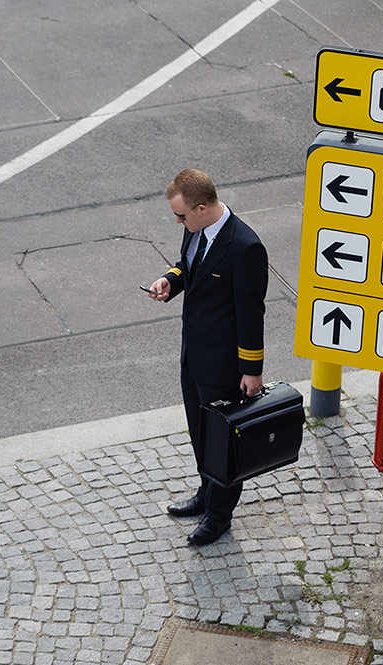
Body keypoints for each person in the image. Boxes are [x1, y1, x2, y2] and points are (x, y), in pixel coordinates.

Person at [146, 168, 268, 546]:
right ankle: (205, 494)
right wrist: (172, 280)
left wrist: (251, 370)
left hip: (224, 366)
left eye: (181, 216)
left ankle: (219, 516)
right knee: (201, 435)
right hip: (194, 356)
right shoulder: (196, 229)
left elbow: (251, 313)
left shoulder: (245, 247)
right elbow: (188, 264)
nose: (177, 222)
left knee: (223, 445)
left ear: (202, 207)